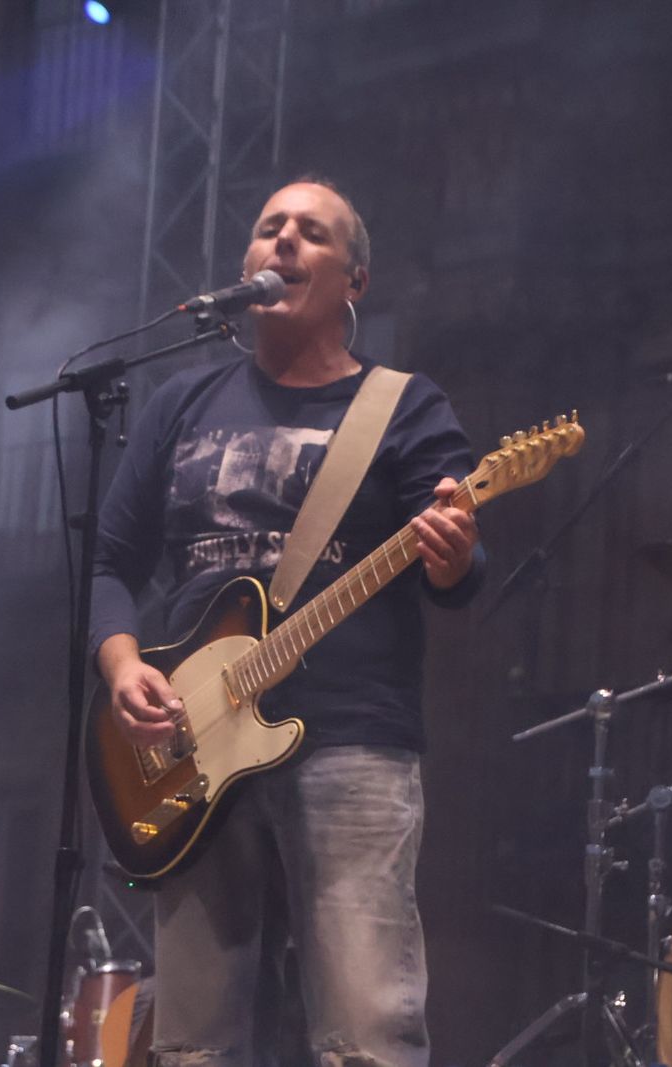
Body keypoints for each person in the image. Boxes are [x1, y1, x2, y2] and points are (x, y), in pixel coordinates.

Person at [89, 176, 484, 1067]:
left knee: (364, 1034)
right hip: (193, 746)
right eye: (270, 227)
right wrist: (121, 667)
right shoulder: (180, 404)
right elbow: (110, 562)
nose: (284, 241)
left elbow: (459, 577)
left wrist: (454, 553)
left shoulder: (404, 405)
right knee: (193, 1044)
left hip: (352, 741)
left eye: (312, 231)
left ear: (356, 280)